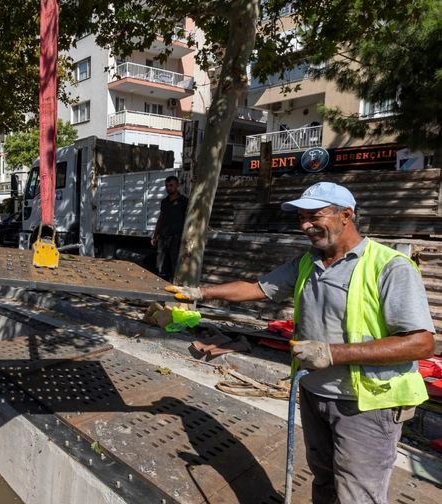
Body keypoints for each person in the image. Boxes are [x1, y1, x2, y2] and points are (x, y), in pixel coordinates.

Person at [166, 182, 435, 504]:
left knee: (358, 492)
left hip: (367, 404)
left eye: (314, 216)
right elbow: (255, 288)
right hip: (314, 392)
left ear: (346, 215)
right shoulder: (308, 262)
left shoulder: (389, 266)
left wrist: (332, 353)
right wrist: (199, 293)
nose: (305, 225)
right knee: (323, 479)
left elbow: (421, 344)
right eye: (301, 218)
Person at [150, 175, 188, 281]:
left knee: (174, 264)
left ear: (177, 186)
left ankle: (174, 285)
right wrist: (155, 236)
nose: (168, 188)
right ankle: (160, 285)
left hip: (176, 238)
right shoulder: (164, 201)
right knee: (160, 264)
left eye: (171, 185)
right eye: (166, 186)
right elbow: (161, 218)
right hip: (163, 238)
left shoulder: (184, 201)